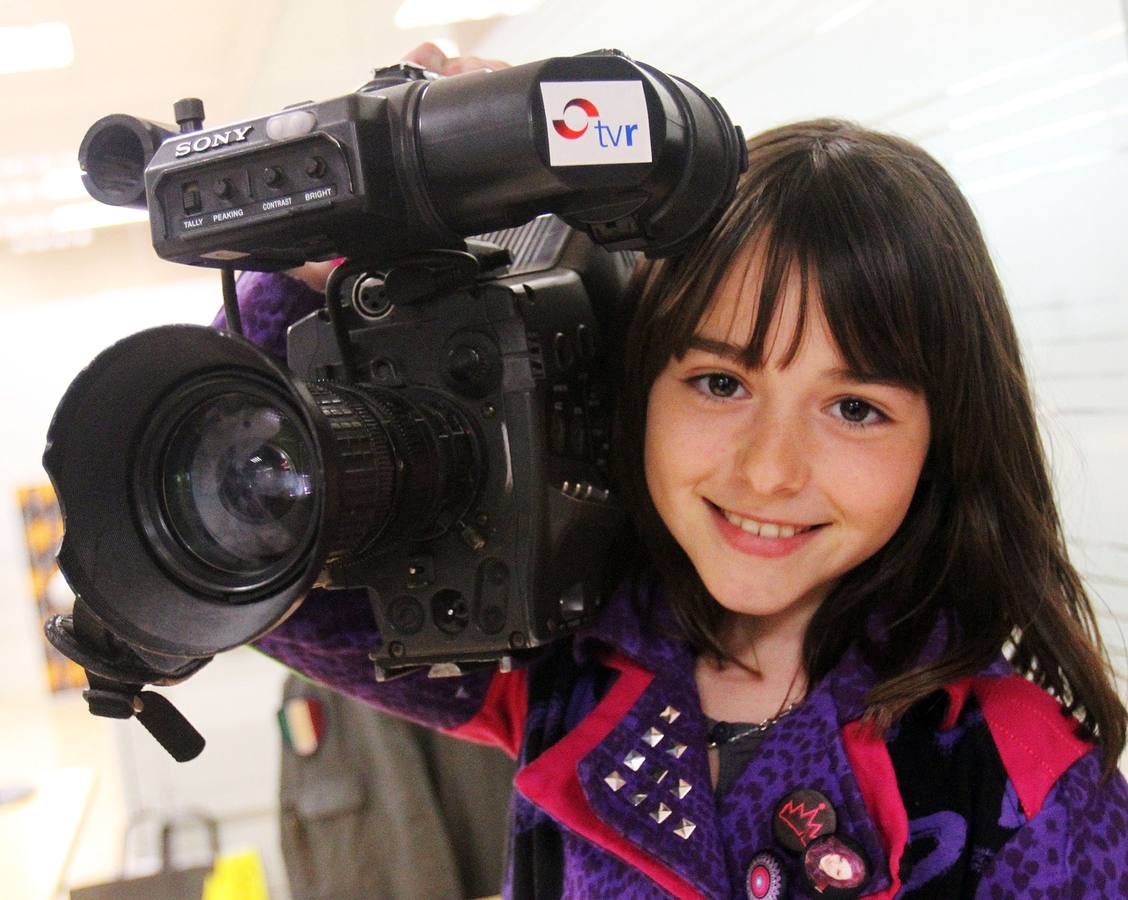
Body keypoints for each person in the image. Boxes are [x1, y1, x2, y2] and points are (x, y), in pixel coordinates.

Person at [226, 45, 1128, 899]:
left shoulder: (1023, 779)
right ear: (640, 385)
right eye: (721, 383)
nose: (769, 471)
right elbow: (261, 567)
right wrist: (352, 244)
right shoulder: (571, 655)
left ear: (947, 435)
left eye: (855, 408)